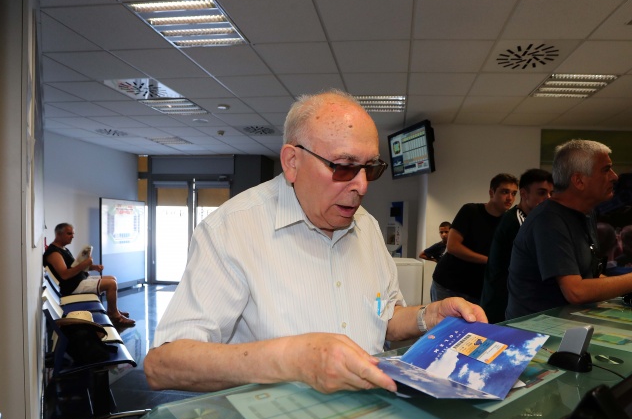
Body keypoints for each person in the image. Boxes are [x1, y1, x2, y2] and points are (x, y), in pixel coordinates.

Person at [144, 90, 486, 394]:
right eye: (343, 167)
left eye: (370, 168)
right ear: (292, 162)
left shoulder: (366, 226)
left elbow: (384, 318)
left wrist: (429, 315)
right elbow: (164, 365)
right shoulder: (231, 229)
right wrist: (293, 359)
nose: (362, 186)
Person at [506, 139, 632, 320]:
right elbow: (576, 291)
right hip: (534, 331)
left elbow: (590, 277)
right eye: (606, 170)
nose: (614, 176)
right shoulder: (548, 220)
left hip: (565, 324)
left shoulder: (585, 214)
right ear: (579, 180)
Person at [431, 174, 519, 304]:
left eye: (514, 193)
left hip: (478, 291)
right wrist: (489, 260)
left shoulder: (509, 222)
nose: (510, 198)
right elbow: (453, 246)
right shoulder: (470, 211)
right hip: (449, 286)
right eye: (505, 192)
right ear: (491, 192)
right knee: (444, 318)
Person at [479, 169, 553, 323]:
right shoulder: (517, 222)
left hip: (512, 301)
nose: (548, 198)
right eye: (541, 193)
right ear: (524, 194)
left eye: (550, 193)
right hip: (502, 304)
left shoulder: (531, 220)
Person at [43, 223, 135, 326]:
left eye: (73, 234)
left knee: (113, 278)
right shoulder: (54, 253)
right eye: (69, 234)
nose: (72, 236)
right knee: (111, 284)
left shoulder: (63, 249)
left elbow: (74, 267)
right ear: (58, 234)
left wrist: (93, 267)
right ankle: (115, 315)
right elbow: (65, 275)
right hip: (73, 286)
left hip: (79, 280)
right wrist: (85, 264)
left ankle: (113, 310)